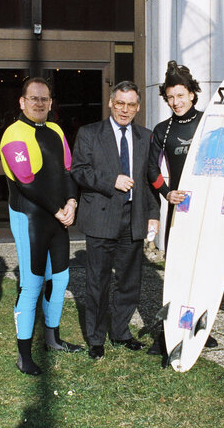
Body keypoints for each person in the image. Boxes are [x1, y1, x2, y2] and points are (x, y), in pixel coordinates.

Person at [146, 60, 224, 354]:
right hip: (182, 211)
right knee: (178, 269)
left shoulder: (213, 121)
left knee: (206, 266)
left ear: (192, 94)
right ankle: (168, 333)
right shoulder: (163, 130)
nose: (176, 102)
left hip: (209, 210)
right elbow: (150, 170)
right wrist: (167, 194)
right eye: (170, 97)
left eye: (180, 95)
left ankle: (200, 329)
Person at [0, 77, 83, 375]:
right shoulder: (13, 135)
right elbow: (27, 182)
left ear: (50, 103)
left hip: (58, 216)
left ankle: (53, 339)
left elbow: (67, 172)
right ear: (21, 102)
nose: (39, 103)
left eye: (44, 99)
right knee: (32, 284)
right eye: (33, 98)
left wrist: (72, 203)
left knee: (59, 279)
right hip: (30, 218)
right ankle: (24, 355)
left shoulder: (56, 131)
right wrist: (59, 209)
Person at [71, 81, 160, 360]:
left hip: (133, 218)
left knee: (129, 281)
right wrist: (112, 181)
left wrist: (153, 215)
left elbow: (150, 180)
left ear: (138, 107)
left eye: (131, 104)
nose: (124, 109)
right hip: (101, 217)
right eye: (120, 103)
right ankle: (96, 339)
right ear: (111, 103)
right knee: (97, 281)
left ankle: (121, 333)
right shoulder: (89, 134)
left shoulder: (145, 137)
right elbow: (79, 171)